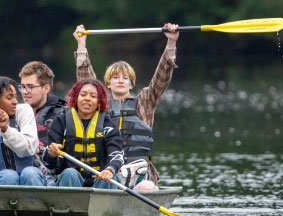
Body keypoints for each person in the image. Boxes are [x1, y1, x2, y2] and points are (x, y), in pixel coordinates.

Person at [73, 23, 180, 190]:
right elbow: (86, 81)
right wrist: (81, 44)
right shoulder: (100, 103)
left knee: (148, 187)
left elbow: (162, 77)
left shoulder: (145, 101)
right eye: (116, 77)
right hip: (107, 172)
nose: (121, 80)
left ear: (132, 83)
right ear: (108, 83)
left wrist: (171, 42)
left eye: (125, 78)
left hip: (138, 172)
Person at [45, 79, 124, 189]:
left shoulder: (108, 125)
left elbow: (117, 154)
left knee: (109, 178)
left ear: (99, 102)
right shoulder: (61, 122)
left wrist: (110, 169)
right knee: (69, 173)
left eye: (93, 96)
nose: (87, 99)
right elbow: (50, 164)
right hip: (70, 180)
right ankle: (69, 205)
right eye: (83, 95)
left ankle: (103, 205)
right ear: (76, 98)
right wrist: (52, 154)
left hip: (100, 181)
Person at [18, 61, 67, 186]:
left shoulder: (64, 114)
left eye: (30, 86)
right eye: (23, 86)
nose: (25, 91)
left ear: (46, 88)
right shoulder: (14, 112)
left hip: (48, 175)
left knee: (30, 173)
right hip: (17, 170)